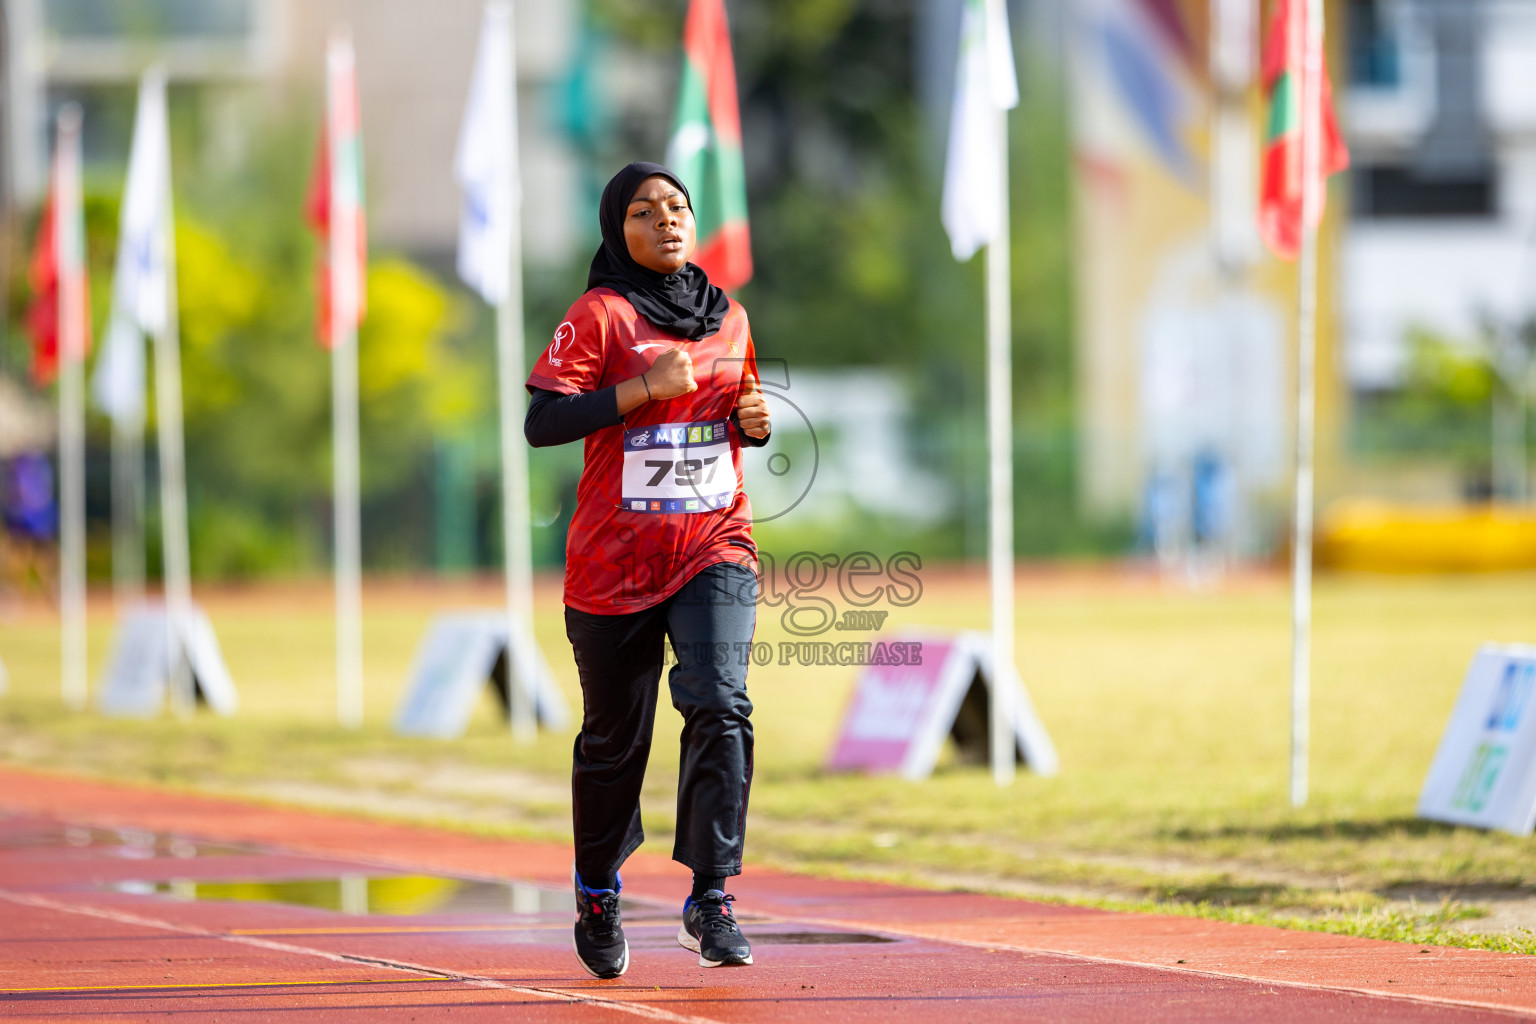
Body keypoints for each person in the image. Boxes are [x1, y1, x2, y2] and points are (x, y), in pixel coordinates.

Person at [524, 161, 771, 978]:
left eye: (677, 207)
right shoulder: (599, 315)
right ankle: (597, 888)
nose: (666, 220)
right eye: (643, 211)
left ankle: (712, 896)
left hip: (714, 547)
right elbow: (542, 422)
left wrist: (755, 421)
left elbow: (737, 415)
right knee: (613, 743)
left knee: (720, 701)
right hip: (614, 565)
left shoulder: (729, 318)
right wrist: (637, 389)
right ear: (615, 230)